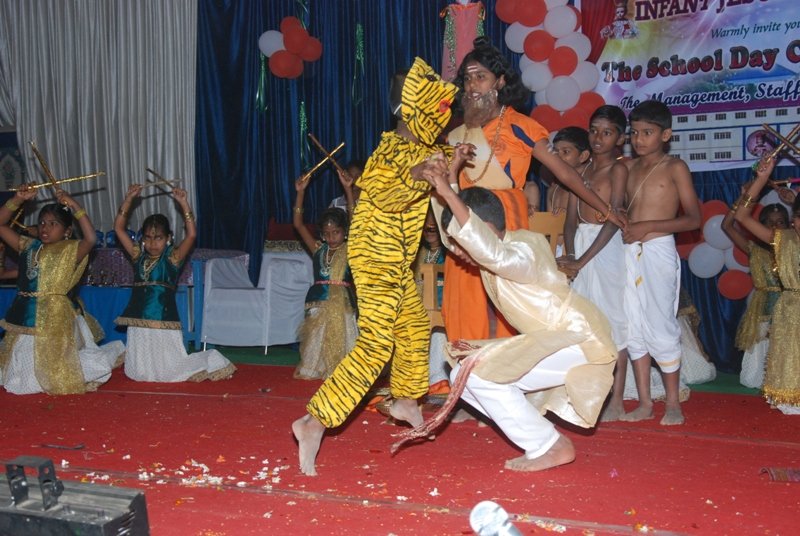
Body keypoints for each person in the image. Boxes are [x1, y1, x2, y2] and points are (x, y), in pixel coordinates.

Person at [292, 57, 466, 476]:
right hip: (374, 258)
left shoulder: (425, 149)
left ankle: (405, 398)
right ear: (413, 113)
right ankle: (315, 421)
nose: (443, 121)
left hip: (397, 261)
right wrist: (419, 173)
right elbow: (389, 190)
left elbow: (442, 167)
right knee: (375, 346)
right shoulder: (391, 151)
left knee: (414, 326)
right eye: (437, 113)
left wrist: (454, 159)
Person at [395, 177, 617, 472]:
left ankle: (549, 445)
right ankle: (542, 438)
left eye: (461, 242)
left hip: (580, 340)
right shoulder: (507, 247)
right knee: (462, 373)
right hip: (560, 341)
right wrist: (449, 187)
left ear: (484, 231)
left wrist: (447, 192)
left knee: (477, 375)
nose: (456, 251)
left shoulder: (521, 252)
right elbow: (482, 245)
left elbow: (494, 254)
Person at [442, 37, 620, 343]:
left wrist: (606, 209)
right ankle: (469, 366)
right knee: (466, 300)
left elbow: (564, 173)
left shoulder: (520, 125)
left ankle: (508, 365)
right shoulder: (456, 134)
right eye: (468, 79)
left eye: (481, 77)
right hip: (465, 218)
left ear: (500, 81)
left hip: (505, 220)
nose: (472, 86)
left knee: (506, 301)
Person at [621, 100, 701, 425]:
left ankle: (672, 404)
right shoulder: (627, 168)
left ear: (665, 135)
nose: (639, 139)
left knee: (661, 323)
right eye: (634, 133)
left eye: (647, 132)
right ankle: (644, 402)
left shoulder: (674, 167)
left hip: (658, 250)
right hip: (629, 252)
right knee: (633, 324)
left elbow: (693, 219)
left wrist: (648, 227)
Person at [0, 186, 123, 395]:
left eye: (53, 224)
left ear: (67, 231)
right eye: (42, 223)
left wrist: (73, 204)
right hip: (25, 313)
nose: (45, 228)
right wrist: (17, 199)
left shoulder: (70, 250)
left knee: (53, 367)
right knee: (19, 369)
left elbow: (91, 239)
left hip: (53, 317)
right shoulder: (28, 246)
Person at [114, 184, 235, 382]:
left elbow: (192, 235)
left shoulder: (173, 258)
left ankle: (210, 361)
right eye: (148, 238)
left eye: (158, 238)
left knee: (169, 369)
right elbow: (119, 229)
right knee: (140, 373)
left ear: (169, 238)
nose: (153, 243)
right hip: (138, 318)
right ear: (142, 239)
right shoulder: (138, 256)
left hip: (163, 318)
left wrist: (183, 204)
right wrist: (128, 200)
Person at [558, 107, 630, 421]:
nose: (598, 138)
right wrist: (572, 256)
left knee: (613, 321)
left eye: (607, 132)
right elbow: (570, 221)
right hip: (582, 245)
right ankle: (585, 394)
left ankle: (617, 399)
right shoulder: (581, 171)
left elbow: (614, 219)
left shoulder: (618, 170)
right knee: (582, 323)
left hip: (606, 247)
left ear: (620, 138)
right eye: (594, 131)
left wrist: (584, 260)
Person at [734, 157, 800, 414]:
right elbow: (742, 216)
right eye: (798, 217)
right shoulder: (783, 240)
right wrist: (761, 180)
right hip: (790, 309)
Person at [292, 173, 357, 380]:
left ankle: (344, 371)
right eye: (327, 233)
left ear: (344, 232)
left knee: (345, 334)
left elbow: (355, 220)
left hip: (343, 301)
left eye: (336, 232)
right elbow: (298, 224)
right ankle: (314, 368)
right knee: (316, 336)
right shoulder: (318, 249)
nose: (331, 237)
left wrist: (348, 190)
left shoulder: (351, 248)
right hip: (318, 299)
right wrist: (300, 193)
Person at [723, 199, 788, 388]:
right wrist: (743, 198)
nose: (775, 226)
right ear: (760, 226)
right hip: (763, 307)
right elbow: (726, 226)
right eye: (769, 222)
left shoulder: (794, 247)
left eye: (780, 222)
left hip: (789, 307)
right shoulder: (754, 249)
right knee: (755, 372)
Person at [412, 207, 448, 393]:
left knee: (438, 334)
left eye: (433, 228)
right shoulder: (419, 253)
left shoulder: (449, 253)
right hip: (418, 305)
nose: (429, 232)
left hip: (442, 303)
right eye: (426, 229)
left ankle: (437, 380)